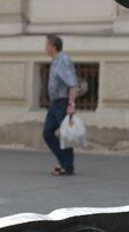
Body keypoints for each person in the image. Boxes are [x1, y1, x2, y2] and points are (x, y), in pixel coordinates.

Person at [42, 34, 79, 176]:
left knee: (65, 135)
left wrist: (71, 104)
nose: (45, 48)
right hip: (55, 102)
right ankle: (63, 161)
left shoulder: (63, 61)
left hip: (62, 102)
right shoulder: (56, 61)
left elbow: (72, 84)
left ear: (53, 46)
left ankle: (67, 166)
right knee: (47, 132)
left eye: (47, 45)